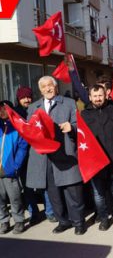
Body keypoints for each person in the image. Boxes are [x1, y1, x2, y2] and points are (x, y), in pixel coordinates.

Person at [26, 76, 86, 235]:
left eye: (50, 85)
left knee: (72, 190)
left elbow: (79, 125)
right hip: (44, 157)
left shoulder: (69, 103)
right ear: (40, 90)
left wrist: (71, 127)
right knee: (53, 193)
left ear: (56, 86)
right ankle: (63, 221)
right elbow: (29, 131)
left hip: (65, 153)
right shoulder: (33, 107)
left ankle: (78, 222)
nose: (48, 89)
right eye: (44, 87)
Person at [81, 85, 113, 231]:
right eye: (95, 96)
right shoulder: (84, 114)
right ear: (90, 97)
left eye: (100, 96)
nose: (98, 99)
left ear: (106, 95)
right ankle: (103, 219)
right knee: (98, 195)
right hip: (95, 163)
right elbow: (81, 138)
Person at [14, 86, 56, 225]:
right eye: (23, 97)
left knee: (43, 184)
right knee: (28, 187)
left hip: (37, 154)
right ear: (18, 99)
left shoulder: (37, 109)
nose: (26, 100)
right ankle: (34, 213)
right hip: (22, 158)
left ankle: (49, 211)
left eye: (28, 97)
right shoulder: (15, 114)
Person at [0, 101, 28, 234]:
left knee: (14, 197)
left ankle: (19, 221)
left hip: (10, 169)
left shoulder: (17, 126)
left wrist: (16, 166)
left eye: (5, 109)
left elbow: (22, 148)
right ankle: (4, 221)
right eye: (0, 110)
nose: (2, 112)